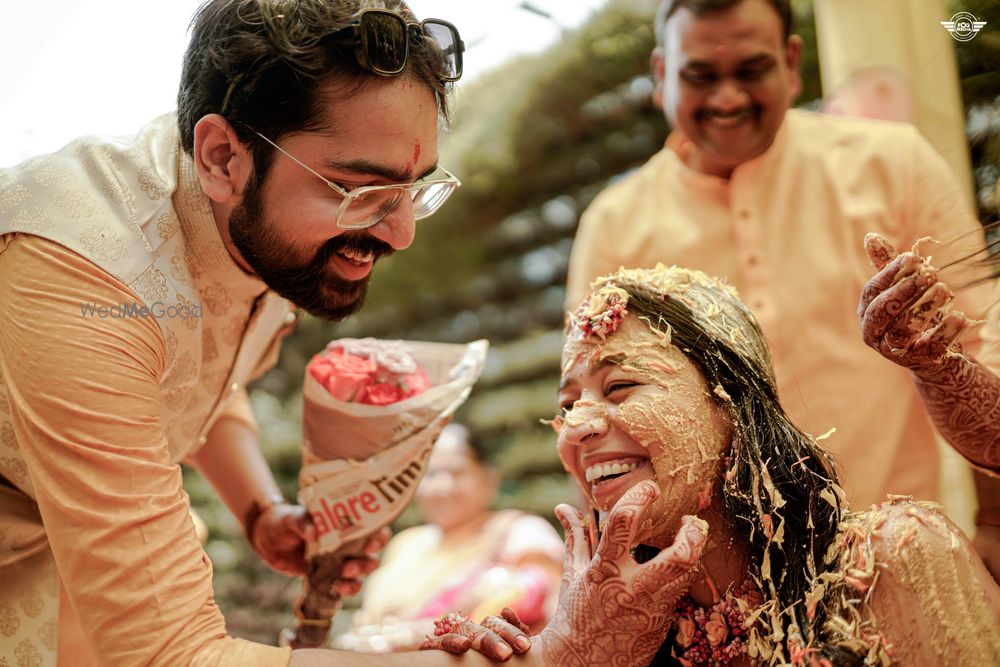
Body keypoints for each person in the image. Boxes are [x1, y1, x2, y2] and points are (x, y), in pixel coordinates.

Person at [0, 1, 710, 664]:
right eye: (359, 192)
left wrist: (260, 510)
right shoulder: (82, 276)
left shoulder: (246, 216)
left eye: (414, 191)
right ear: (221, 157)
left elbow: (198, 366)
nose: (398, 231)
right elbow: (175, 653)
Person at [564, 0, 1000, 571]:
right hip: (715, 599)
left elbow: (983, 345)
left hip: (899, 559)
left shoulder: (892, 165)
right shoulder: (615, 225)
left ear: (791, 63)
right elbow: (590, 420)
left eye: (751, 70)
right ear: (662, 74)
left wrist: (993, 523)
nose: (727, 98)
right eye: (700, 75)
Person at [429, 264, 1000, 665]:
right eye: (566, 405)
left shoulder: (894, 560)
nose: (578, 425)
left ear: (731, 405)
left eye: (621, 385)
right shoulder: (616, 632)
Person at [335, 423, 563, 652]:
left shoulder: (518, 531)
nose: (442, 487)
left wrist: (404, 637)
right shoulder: (406, 544)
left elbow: (550, 608)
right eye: (431, 474)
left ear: (488, 478)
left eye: (456, 472)